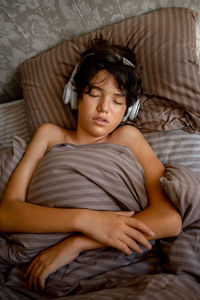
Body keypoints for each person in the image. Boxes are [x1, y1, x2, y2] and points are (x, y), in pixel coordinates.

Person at [0, 39, 182, 292]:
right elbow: (7, 213)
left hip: (115, 266)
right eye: (94, 94)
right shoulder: (49, 135)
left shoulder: (127, 137)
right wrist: (86, 220)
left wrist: (76, 243)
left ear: (128, 110)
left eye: (118, 101)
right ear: (75, 96)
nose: (104, 108)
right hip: (32, 268)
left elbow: (169, 219)